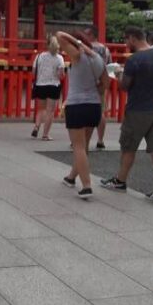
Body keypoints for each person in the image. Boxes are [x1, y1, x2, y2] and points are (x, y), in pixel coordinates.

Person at [101, 26, 153, 202]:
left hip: (138, 110)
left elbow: (125, 86)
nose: (125, 43)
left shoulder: (135, 60)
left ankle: (120, 181)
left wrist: (118, 74)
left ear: (133, 38)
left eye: (126, 39)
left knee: (128, 146)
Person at [57, 31, 105, 199]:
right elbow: (104, 84)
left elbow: (59, 35)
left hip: (77, 104)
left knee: (78, 147)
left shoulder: (77, 55)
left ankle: (86, 186)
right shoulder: (98, 59)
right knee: (84, 147)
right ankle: (71, 177)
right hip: (94, 105)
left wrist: (77, 42)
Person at [79, 25, 113, 150]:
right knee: (100, 111)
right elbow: (109, 65)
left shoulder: (84, 48)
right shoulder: (105, 49)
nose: (84, 36)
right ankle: (100, 139)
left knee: (83, 110)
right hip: (101, 82)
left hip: (85, 83)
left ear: (92, 35)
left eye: (86, 34)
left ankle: (80, 139)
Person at [30, 35, 66, 141]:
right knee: (50, 111)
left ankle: (36, 126)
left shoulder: (39, 56)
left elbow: (33, 71)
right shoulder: (59, 58)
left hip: (40, 85)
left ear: (47, 44)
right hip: (53, 85)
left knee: (41, 109)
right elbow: (61, 74)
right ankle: (45, 134)